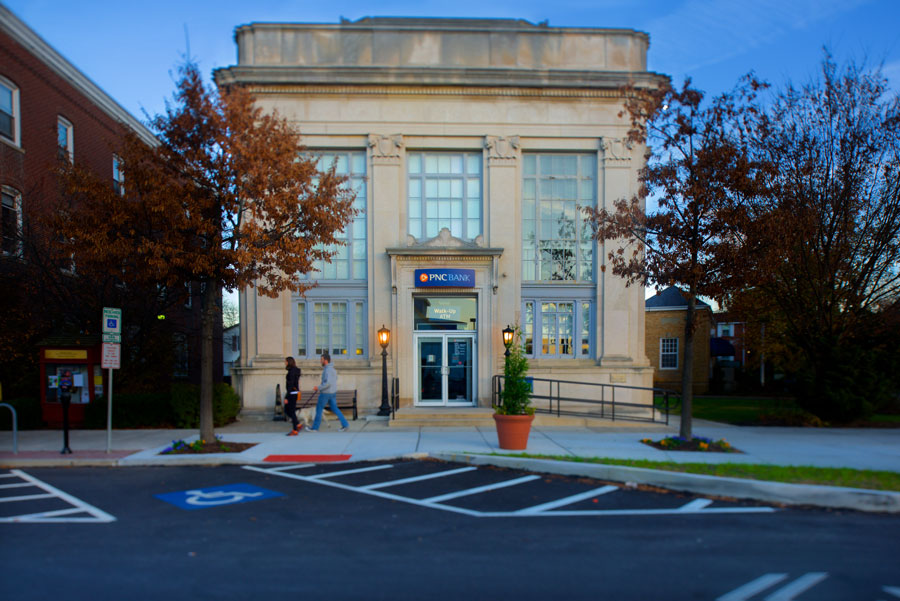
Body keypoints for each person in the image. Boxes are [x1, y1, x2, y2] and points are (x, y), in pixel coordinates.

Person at [310, 352, 349, 432]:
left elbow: (327, 383)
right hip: (332, 393)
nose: (320, 361)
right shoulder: (333, 370)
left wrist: (318, 387)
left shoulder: (328, 370)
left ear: (326, 360)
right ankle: (345, 425)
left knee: (319, 409)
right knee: (335, 409)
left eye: (321, 359)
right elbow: (333, 380)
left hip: (326, 393)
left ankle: (315, 428)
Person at [284, 356, 302, 436]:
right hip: (294, 393)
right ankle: (297, 424)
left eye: (286, 361)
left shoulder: (291, 372)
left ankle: (295, 430)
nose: (285, 363)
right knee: (288, 410)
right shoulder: (294, 371)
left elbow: (290, 385)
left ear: (289, 362)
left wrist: (286, 397)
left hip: (292, 393)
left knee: (290, 411)